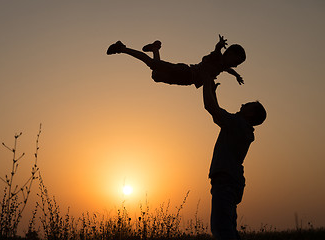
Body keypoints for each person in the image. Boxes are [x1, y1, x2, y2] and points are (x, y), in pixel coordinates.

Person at [202, 73, 266, 240]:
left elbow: (211, 108)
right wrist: (211, 90)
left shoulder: (237, 124)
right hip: (232, 181)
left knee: (221, 230)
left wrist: (206, 80)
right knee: (228, 228)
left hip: (225, 181)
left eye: (249, 105)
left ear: (251, 115)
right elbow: (217, 112)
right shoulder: (242, 128)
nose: (243, 103)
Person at [106, 35, 246, 88]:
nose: (236, 65)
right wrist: (219, 45)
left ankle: (155, 48)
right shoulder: (218, 58)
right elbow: (216, 52)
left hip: (187, 81)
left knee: (156, 75)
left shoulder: (222, 66)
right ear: (229, 54)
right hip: (185, 71)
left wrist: (236, 75)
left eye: (238, 64)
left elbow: (228, 69)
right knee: (152, 64)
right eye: (236, 60)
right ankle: (122, 48)